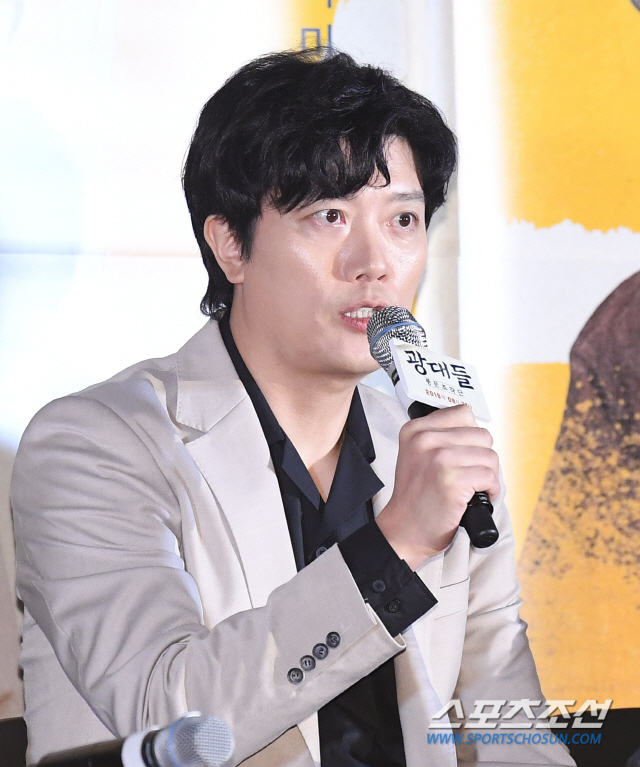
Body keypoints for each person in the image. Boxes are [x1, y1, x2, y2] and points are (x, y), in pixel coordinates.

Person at [11, 49, 574, 766]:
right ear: (231, 245)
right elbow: (173, 719)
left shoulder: (431, 442)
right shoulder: (95, 445)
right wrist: (394, 548)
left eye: (403, 219)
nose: (375, 262)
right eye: (330, 215)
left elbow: (509, 730)